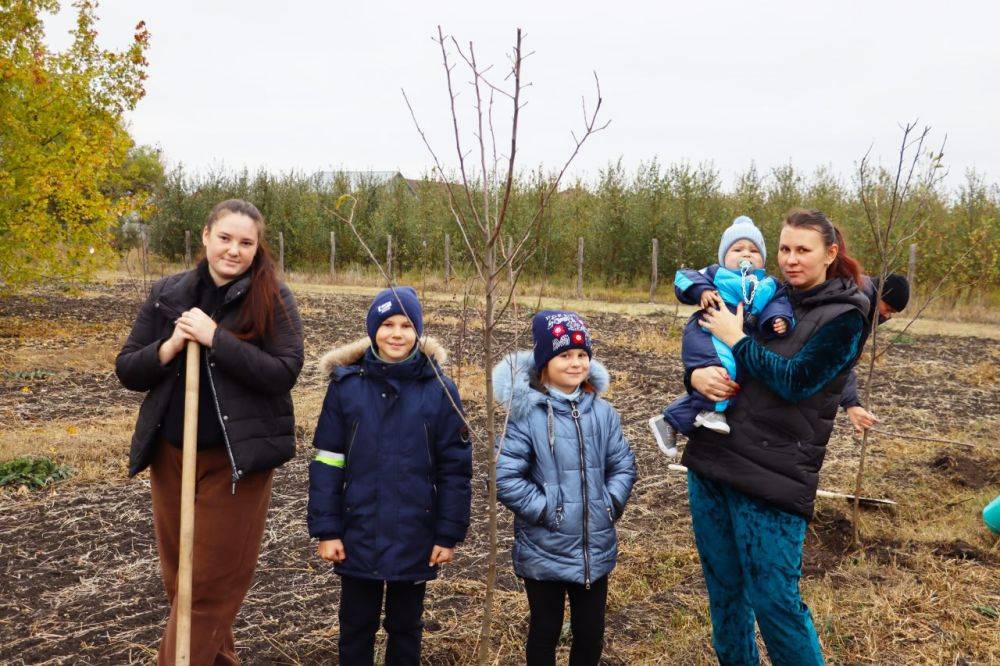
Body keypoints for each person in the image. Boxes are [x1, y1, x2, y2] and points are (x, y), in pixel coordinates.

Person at [115, 199, 304, 664]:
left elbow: (284, 370)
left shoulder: (272, 297)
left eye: (246, 242)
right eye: (225, 238)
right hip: (172, 454)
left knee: (206, 587)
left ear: (258, 248)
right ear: (205, 237)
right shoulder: (168, 293)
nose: (234, 250)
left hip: (235, 462)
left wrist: (216, 338)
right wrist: (173, 343)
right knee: (180, 582)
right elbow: (128, 368)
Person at [684, 209, 871, 665]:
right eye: (784, 248)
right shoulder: (765, 294)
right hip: (714, 460)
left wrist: (738, 337)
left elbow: (797, 381)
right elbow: (707, 344)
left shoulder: (845, 316)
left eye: (802, 250)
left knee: (775, 603)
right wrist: (697, 378)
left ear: (830, 254)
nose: (790, 259)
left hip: (772, 478)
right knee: (725, 597)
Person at [307, 286, 472, 666]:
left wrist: (448, 534)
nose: (396, 334)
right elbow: (328, 463)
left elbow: (455, 470)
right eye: (386, 324)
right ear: (372, 330)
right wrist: (327, 529)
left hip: (416, 535)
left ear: (418, 331)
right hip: (357, 533)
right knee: (355, 626)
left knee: (406, 628)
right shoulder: (346, 387)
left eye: (406, 325)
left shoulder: (440, 390)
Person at [494, 310, 636, 666]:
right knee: (545, 630)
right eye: (564, 355)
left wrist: (609, 504)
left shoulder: (603, 414)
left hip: (595, 547)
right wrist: (549, 510)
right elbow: (506, 478)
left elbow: (623, 465)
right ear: (545, 362)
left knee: (590, 633)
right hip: (545, 546)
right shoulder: (526, 414)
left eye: (582, 355)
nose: (575, 363)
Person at [651, 216, 794, 455]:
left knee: (736, 381)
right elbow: (683, 277)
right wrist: (702, 290)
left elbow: (779, 304)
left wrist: (778, 320)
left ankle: (671, 421)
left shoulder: (769, 283)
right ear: (724, 256)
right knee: (722, 371)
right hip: (709, 329)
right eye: (737, 249)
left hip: (740, 335)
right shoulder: (716, 273)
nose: (746, 255)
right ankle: (712, 412)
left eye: (753, 250)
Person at [840, 273, 910, 433]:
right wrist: (851, 403)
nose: (887, 315)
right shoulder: (856, 307)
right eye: (888, 309)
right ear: (880, 294)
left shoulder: (866, 304)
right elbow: (839, 359)